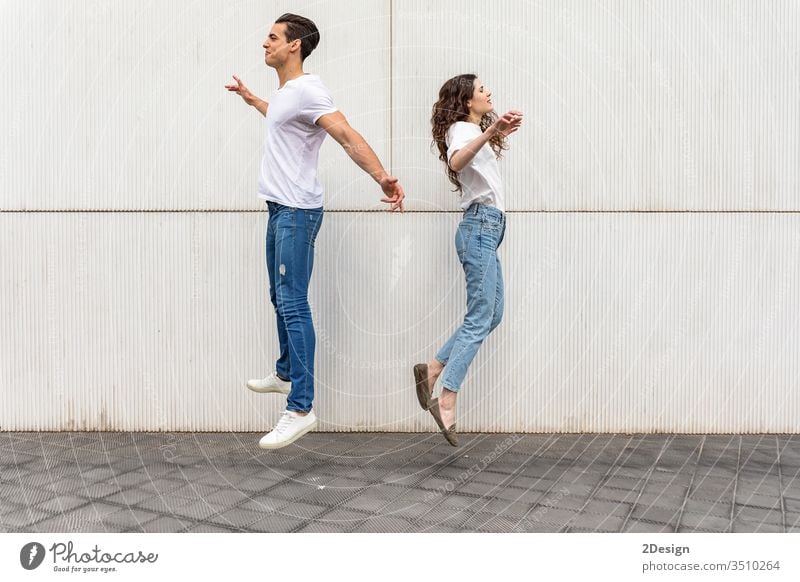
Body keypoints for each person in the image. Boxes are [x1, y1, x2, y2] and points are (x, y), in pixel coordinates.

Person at [225, 13, 404, 449]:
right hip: (279, 210)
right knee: (278, 296)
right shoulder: (287, 94)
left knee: (292, 302)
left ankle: (301, 408)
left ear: (295, 46)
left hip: (296, 212)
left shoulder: (309, 90)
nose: (264, 43)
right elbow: (281, 119)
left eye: (273, 37)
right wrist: (253, 100)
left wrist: (381, 176)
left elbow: (344, 133)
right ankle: (286, 372)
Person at [414, 74, 522, 446]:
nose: (488, 92)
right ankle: (447, 393)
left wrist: (498, 131)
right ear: (465, 101)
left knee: (492, 314)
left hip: (487, 230)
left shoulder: (470, 129)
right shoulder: (462, 129)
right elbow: (459, 161)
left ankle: (434, 367)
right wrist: (492, 134)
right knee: (480, 316)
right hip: (480, 227)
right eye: (481, 89)